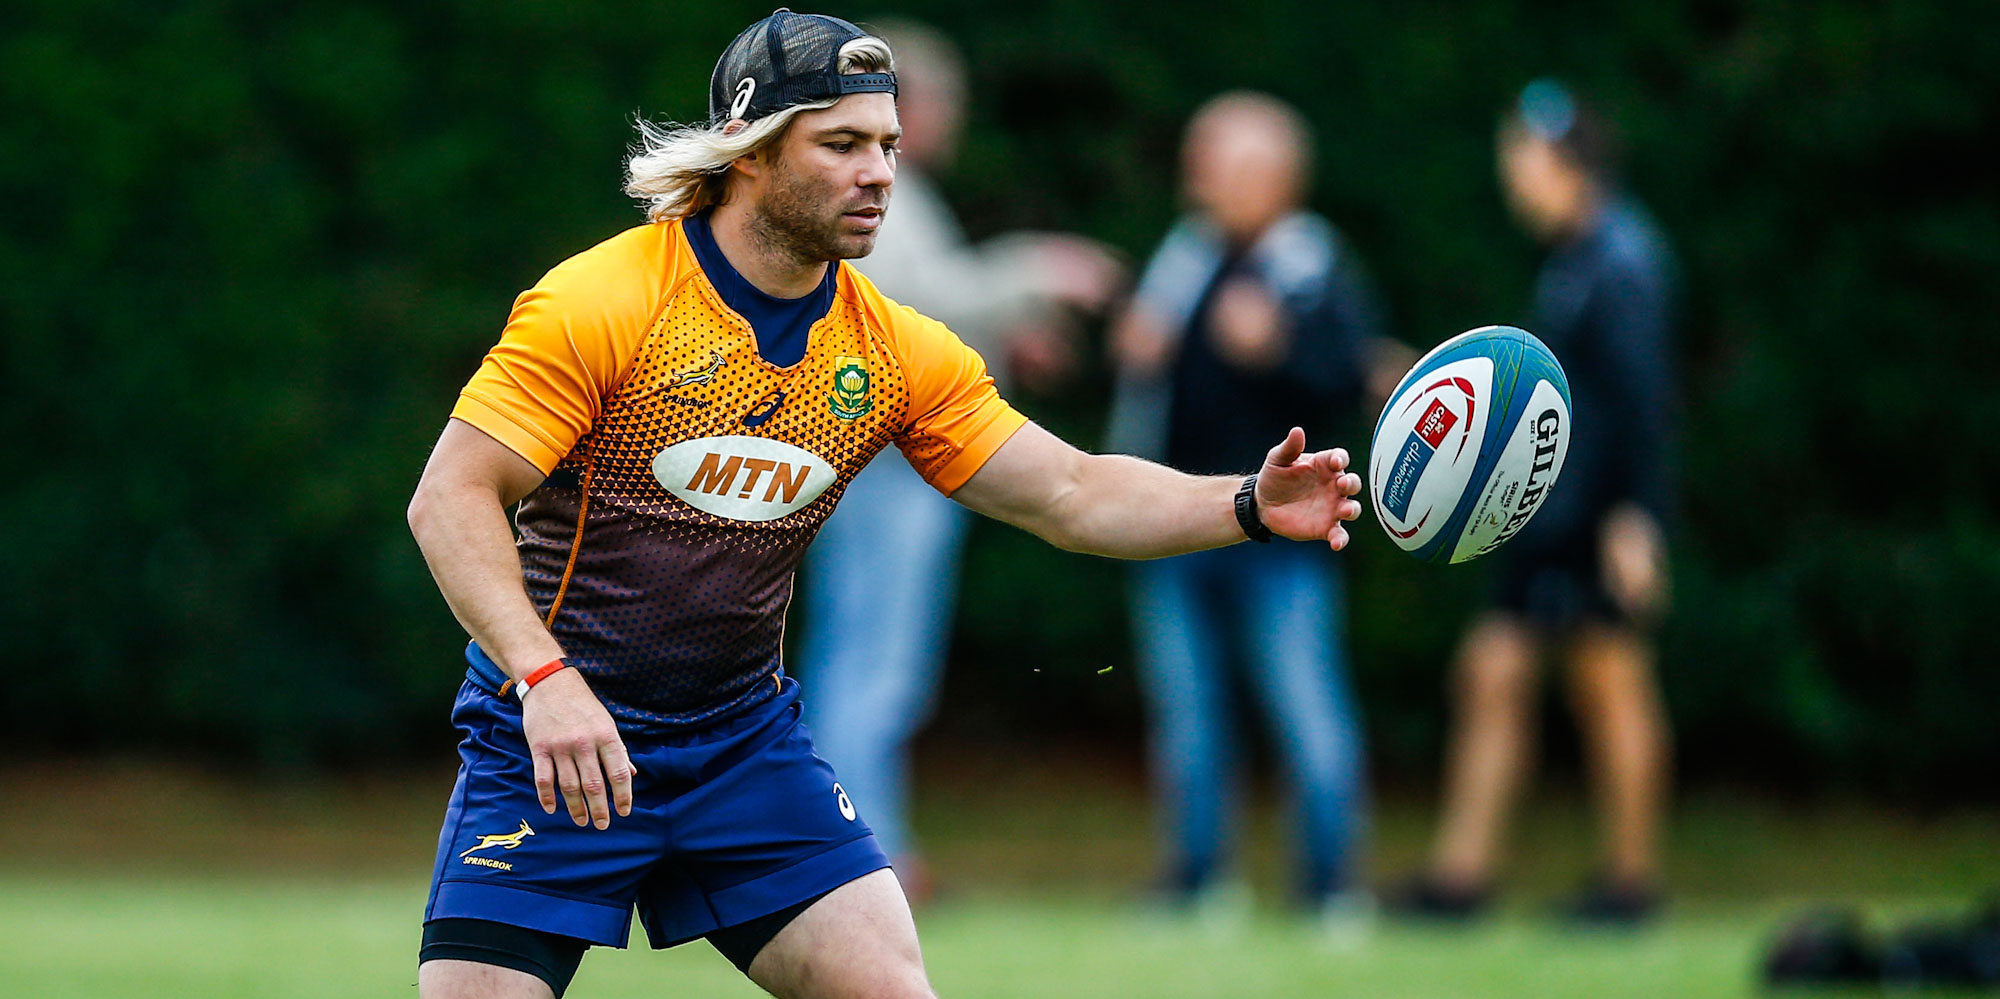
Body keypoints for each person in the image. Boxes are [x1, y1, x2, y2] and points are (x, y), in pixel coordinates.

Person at [403, 12, 1367, 999]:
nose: (878, 174)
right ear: (750, 151)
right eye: (842, 144)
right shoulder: (604, 302)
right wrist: (545, 678)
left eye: (888, 145)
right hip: (559, 740)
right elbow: (450, 498)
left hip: (739, 751)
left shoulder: (893, 349)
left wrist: (1246, 503)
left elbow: (1071, 491)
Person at [793, 19, 1120, 899]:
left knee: (865, 655)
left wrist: (1006, 339)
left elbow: (925, 327)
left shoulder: (897, 195)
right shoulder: (877, 194)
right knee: (874, 662)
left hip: (882, 462)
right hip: (887, 467)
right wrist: (1038, 268)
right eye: (941, 102)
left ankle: (853, 842)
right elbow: (904, 303)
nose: (948, 121)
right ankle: (861, 850)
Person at [1388, 79, 1678, 926]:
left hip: (1592, 518)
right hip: (1540, 513)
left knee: (1610, 682)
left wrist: (1636, 518)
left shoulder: (1622, 259)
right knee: (1491, 673)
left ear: (1566, 161)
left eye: (1520, 158)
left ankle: (1630, 885)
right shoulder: (1576, 256)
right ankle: (1461, 877)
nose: (1510, 177)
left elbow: (1643, 402)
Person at [1105, 92, 1385, 927]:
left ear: (1276, 177)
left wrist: (1278, 348)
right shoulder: (1186, 257)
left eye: (1215, 161)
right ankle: (1198, 881)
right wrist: (1137, 346)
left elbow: (1352, 378)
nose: (1197, 177)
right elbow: (1152, 371)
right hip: (1180, 523)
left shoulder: (1314, 266)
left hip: (1282, 538)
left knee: (1306, 704)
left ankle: (1332, 887)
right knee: (1187, 715)